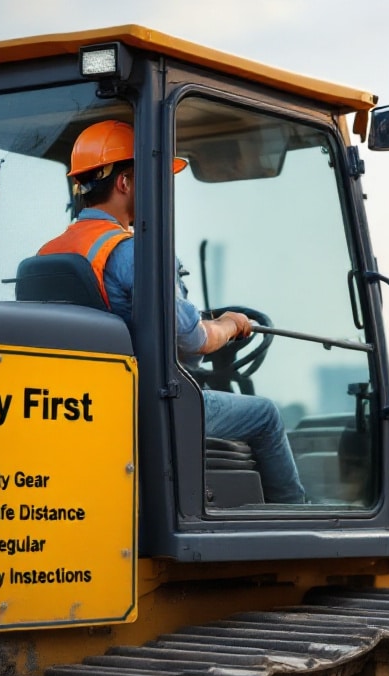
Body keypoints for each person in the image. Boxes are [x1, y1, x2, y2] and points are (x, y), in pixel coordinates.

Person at [38, 120, 306, 504]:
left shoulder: (52, 251)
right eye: (150, 177)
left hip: (81, 402)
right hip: (150, 399)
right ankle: (294, 520)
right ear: (125, 183)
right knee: (265, 415)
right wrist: (230, 325)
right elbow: (193, 338)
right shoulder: (133, 252)